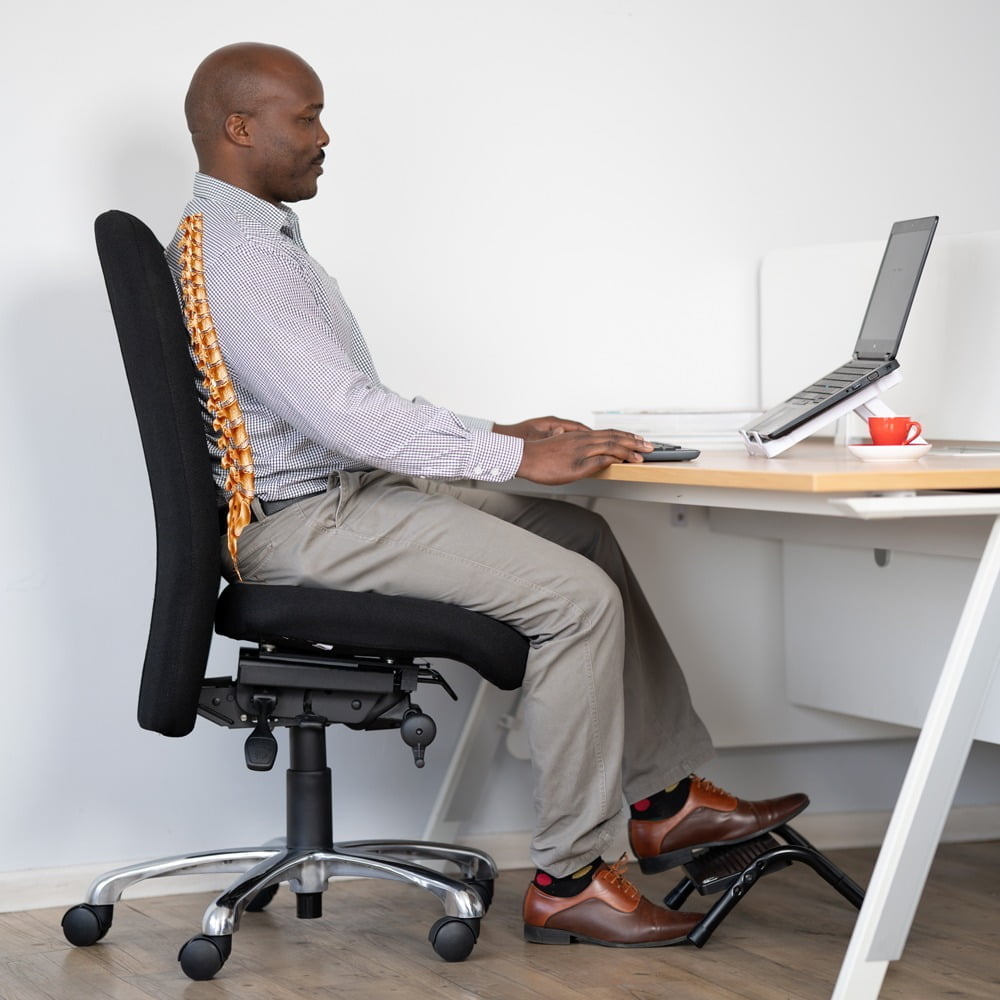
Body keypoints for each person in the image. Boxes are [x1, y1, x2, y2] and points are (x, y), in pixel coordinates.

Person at [167, 41, 808, 949]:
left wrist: (505, 439)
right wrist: (508, 456)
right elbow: (352, 420)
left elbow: (346, 410)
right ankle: (570, 877)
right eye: (305, 116)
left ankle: (664, 802)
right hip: (307, 522)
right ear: (240, 127)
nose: (324, 136)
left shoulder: (246, 238)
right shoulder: (243, 257)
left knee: (580, 538)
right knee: (576, 602)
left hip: (343, 495)